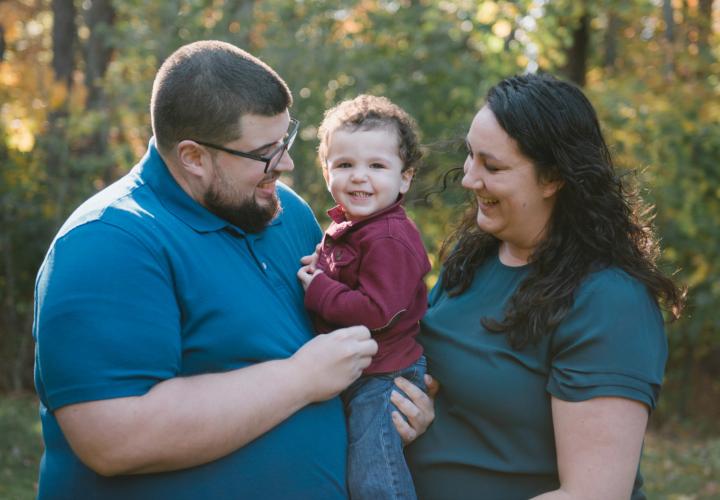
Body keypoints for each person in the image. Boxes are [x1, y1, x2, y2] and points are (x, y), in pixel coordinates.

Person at [32, 40, 435, 500]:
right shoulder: (107, 243)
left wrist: (386, 413)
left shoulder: (288, 215)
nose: (285, 163)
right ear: (194, 157)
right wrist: (299, 379)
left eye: (285, 139)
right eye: (266, 151)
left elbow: (353, 336)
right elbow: (113, 438)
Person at [405, 73, 685, 499]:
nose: (468, 179)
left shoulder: (609, 299)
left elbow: (592, 493)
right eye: (470, 156)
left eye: (492, 166)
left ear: (553, 177)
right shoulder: (473, 256)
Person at [297, 95, 430, 500]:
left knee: (375, 476)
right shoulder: (357, 227)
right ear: (326, 172)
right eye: (344, 165)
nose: (359, 177)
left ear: (404, 178)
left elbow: (376, 312)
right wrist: (324, 267)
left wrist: (320, 287)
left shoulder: (390, 236)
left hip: (385, 378)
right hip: (365, 369)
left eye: (376, 166)